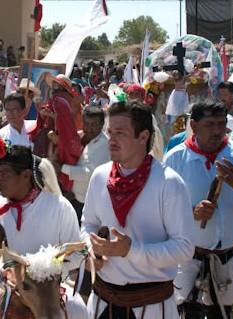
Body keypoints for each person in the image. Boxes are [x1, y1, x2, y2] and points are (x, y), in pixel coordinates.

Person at [81, 101, 194, 318]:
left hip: (151, 307)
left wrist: (132, 251)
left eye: (120, 133)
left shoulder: (169, 183)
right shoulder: (100, 176)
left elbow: (184, 248)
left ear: (143, 137)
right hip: (103, 303)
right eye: (110, 132)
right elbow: (88, 224)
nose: (111, 140)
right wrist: (90, 250)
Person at [163, 100, 233, 318]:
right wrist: (190, 212)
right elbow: (161, 208)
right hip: (187, 257)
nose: (217, 131)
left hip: (229, 256)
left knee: (220, 312)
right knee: (185, 310)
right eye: (210, 124)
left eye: (221, 124)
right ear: (194, 126)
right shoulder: (175, 159)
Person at [0, 140, 80, 283]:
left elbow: (76, 255)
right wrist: (4, 272)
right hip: (6, 291)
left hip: (50, 293)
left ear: (26, 175)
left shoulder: (59, 207)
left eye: (4, 174)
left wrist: (39, 273)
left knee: (77, 306)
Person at [61, 106, 109, 222]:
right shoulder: (81, 136)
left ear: (102, 124)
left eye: (94, 124)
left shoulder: (103, 144)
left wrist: (60, 168)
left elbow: (88, 174)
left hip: (87, 203)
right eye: (87, 124)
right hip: (73, 197)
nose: (89, 128)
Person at [43, 75, 82, 195]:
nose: (54, 87)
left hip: (65, 145)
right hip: (56, 142)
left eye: (57, 85)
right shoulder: (57, 100)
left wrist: (59, 139)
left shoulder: (63, 102)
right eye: (53, 84)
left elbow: (70, 128)